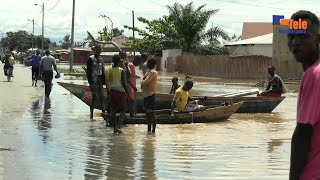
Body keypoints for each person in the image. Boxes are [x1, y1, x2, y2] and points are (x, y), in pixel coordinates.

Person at [287, 10, 320, 180]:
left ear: (318, 39)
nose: (295, 43)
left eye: (302, 37)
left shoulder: (314, 75)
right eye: (291, 37)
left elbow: (302, 133)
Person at [109, 54, 130, 134]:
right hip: (120, 91)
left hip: (112, 91)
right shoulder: (122, 70)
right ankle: (118, 127)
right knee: (124, 109)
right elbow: (124, 83)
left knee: (113, 110)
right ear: (119, 61)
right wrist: (128, 94)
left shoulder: (109, 69)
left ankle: (114, 128)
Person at [86, 44, 107, 121]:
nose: (99, 51)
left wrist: (104, 82)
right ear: (94, 50)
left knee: (102, 98)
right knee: (94, 98)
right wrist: (91, 83)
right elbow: (88, 72)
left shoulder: (101, 59)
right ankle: (91, 116)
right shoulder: (90, 59)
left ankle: (105, 115)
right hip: (93, 81)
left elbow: (103, 70)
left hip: (100, 80)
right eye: (98, 50)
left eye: (100, 50)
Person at [141, 58, 158, 133]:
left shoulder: (153, 73)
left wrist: (142, 81)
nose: (146, 64)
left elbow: (145, 82)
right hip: (146, 95)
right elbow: (144, 81)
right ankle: (148, 130)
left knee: (151, 113)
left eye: (148, 63)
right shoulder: (148, 72)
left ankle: (153, 130)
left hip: (150, 95)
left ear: (151, 64)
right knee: (147, 113)